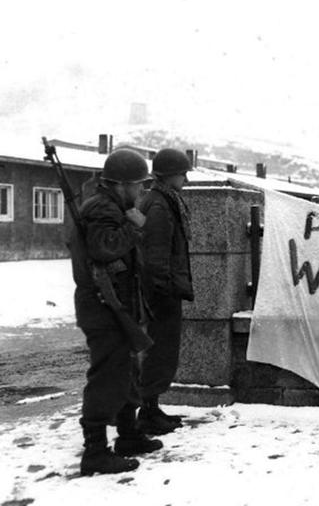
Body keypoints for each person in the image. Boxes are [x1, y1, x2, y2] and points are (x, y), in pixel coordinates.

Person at [70, 148, 163, 476]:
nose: (141, 192)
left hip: (116, 304)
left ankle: (128, 434)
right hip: (102, 306)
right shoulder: (102, 208)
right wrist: (134, 227)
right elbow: (103, 247)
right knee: (108, 375)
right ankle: (95, 451)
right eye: (138, 185)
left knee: (126, 371)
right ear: (121, 185)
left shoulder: (112, 205)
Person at [137, 148, 195, 435]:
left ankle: (151, 407)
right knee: (160, 351)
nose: (185, 178)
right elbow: (156, 254)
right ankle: (147, 412)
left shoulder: (161, 200)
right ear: (169, 175)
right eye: (182, 173)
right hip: (161, 293)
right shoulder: (159, 205)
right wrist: (162, 290)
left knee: (161, 351)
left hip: (162, 289)